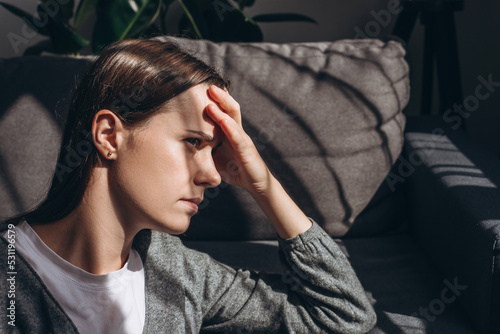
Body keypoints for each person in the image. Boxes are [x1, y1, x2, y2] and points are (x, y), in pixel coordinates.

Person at [0, 38, 376, 334]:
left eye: (215, 150)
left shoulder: (177, 272)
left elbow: (342, 317)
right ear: (109, 136)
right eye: (193, 142)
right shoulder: (11, 280)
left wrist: (264, 185)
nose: (213, 176)